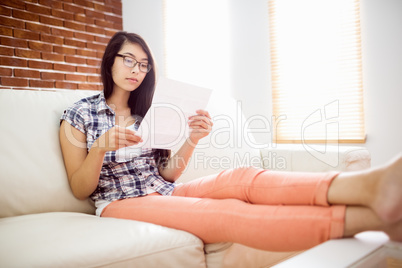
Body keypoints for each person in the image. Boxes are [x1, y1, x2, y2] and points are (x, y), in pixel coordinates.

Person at [59, 31, 402, 252]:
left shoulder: (149, 110)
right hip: (118, 203)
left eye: (144, 65)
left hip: (161, 189)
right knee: (225, 212)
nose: (136, 69)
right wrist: (101, 147)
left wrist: (192, 138)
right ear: (110, 60)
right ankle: (376, 221)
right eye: (129, 60)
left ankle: (369, 186)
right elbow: (79, 188)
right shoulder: (79, 114)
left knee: (240, 177)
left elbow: (166, 176)